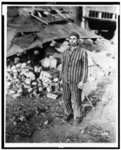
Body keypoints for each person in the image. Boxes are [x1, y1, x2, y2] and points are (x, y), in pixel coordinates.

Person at [61, 32, 88, 126]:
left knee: (76, 100)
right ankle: (68, 113)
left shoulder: (82, 52)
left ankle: (78, 116)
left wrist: (83, 81)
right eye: (70, 38)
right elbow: (63, 65)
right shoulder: (65, 51)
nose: (72, 40)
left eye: (74, 38)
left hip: (76, 81)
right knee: (66, 98)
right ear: (68, 40)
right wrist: (62, 78)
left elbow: (85, 67)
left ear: (78, 40)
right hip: (65, 79)